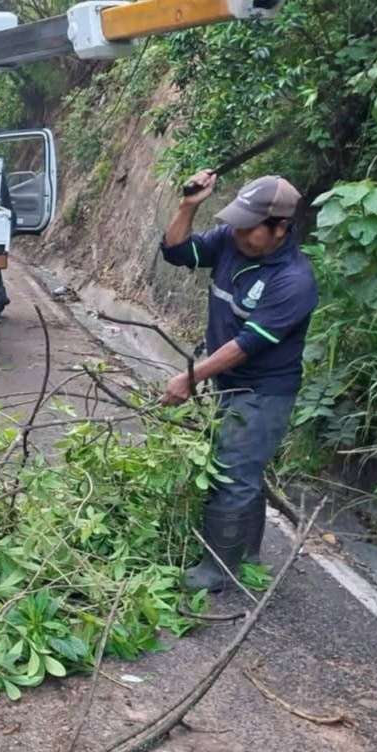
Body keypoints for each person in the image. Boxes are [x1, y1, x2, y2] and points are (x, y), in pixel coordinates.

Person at [158, 172, 318, 592]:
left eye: (251, 227)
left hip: (263, 392)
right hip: (230, 385)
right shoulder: (231, 240)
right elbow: (177, 252)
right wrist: (188, 205)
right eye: (238, 223)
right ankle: (244, 554)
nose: (240, 233)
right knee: (242, 469)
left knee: (232, 472)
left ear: (281, 227)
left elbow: (247, 344)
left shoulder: (293, 281)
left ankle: (216, 570)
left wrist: (189, 378)